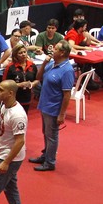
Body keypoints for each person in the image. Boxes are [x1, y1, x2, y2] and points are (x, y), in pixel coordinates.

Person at [28, 40, 74, 172]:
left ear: (63, 52)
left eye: (56, 49)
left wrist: (62, 114)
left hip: (54, 108)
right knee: (46, 132)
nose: (52, 50)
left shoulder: (67, 71)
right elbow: (38, 77)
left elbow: (66, 94)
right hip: (44, 104)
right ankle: (45, 155)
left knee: (52, 135)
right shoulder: (53, 63)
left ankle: (50, 162)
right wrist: (44, 63)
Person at [3, 44, 37, 114]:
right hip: (13, 99)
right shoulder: (10, 67)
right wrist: (19, 85)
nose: (23, 54)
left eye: (24, 52)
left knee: (23, 118)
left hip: (27, 98)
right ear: (15, 55)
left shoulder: (32, 65)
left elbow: (37, 79)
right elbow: (4, 84)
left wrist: (32, 84)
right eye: (20, 53)